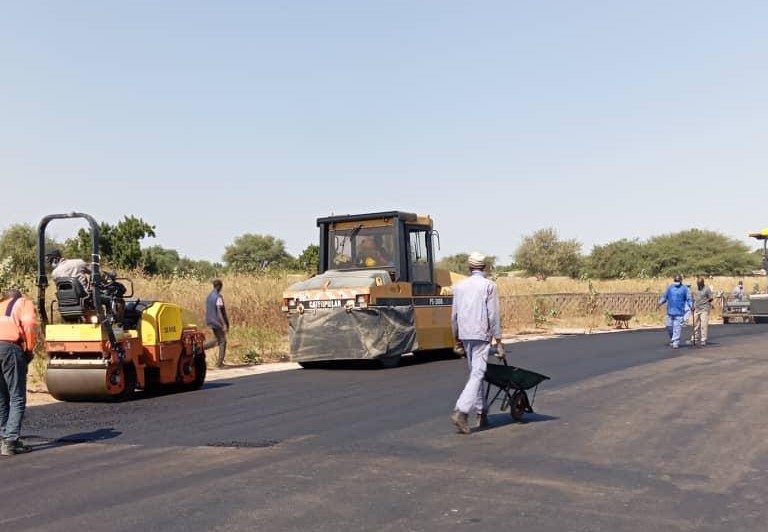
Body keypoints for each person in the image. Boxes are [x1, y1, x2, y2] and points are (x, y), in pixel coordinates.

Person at [450, 252, 502, 434]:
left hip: (465, 334)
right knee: (478, 374)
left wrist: (456, 339)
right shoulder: (489, 286)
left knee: (476, 373)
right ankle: (461, 411)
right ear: (484, 268)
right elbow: (493, 316)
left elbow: (454, 316)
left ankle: (482, 412)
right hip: (481, 335)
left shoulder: (459, 287)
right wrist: (499, 342)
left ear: (469, 267)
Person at [0, 288, 39, 456]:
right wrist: (29, 349)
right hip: (10, 348)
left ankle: (3, 438)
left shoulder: (0, 306)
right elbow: (29, 323)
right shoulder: (22, 303)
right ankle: (10, 442)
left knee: (1, 397)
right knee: (17, 397)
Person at [657, 274, 693, 349]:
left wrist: (691, 305)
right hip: (670, 312)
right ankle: (672, 339)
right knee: (669, 327)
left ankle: (675, 341)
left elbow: (689, 299)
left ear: (681, 281)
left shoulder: (684, 289)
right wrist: (659, 303)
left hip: (679, 312)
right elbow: (665, 297)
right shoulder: (670, 288)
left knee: (677, 327)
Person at [204, 279, 229, 369]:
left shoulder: (209, 296)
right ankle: (219, 363)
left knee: (217, 340)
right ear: (219, 286)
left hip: (210, 320)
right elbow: (219, 311)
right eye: (221, 287)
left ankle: (200, 348)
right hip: (217, 322)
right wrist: (224, 324)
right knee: (223, 341)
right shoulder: (218, 297)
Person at [691, 277, 714, 347]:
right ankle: (694, 337)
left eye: (700, 284)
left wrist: (706, 303)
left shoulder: (707, 289)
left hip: (704, 309)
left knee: (703, 324)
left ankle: (703, 339)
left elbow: (711, 298)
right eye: (698, 284)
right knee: (695, 324)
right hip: (697, 308)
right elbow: (695, 299)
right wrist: (693, 306)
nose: (699, 286)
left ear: (703, 283)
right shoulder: (696, 290)